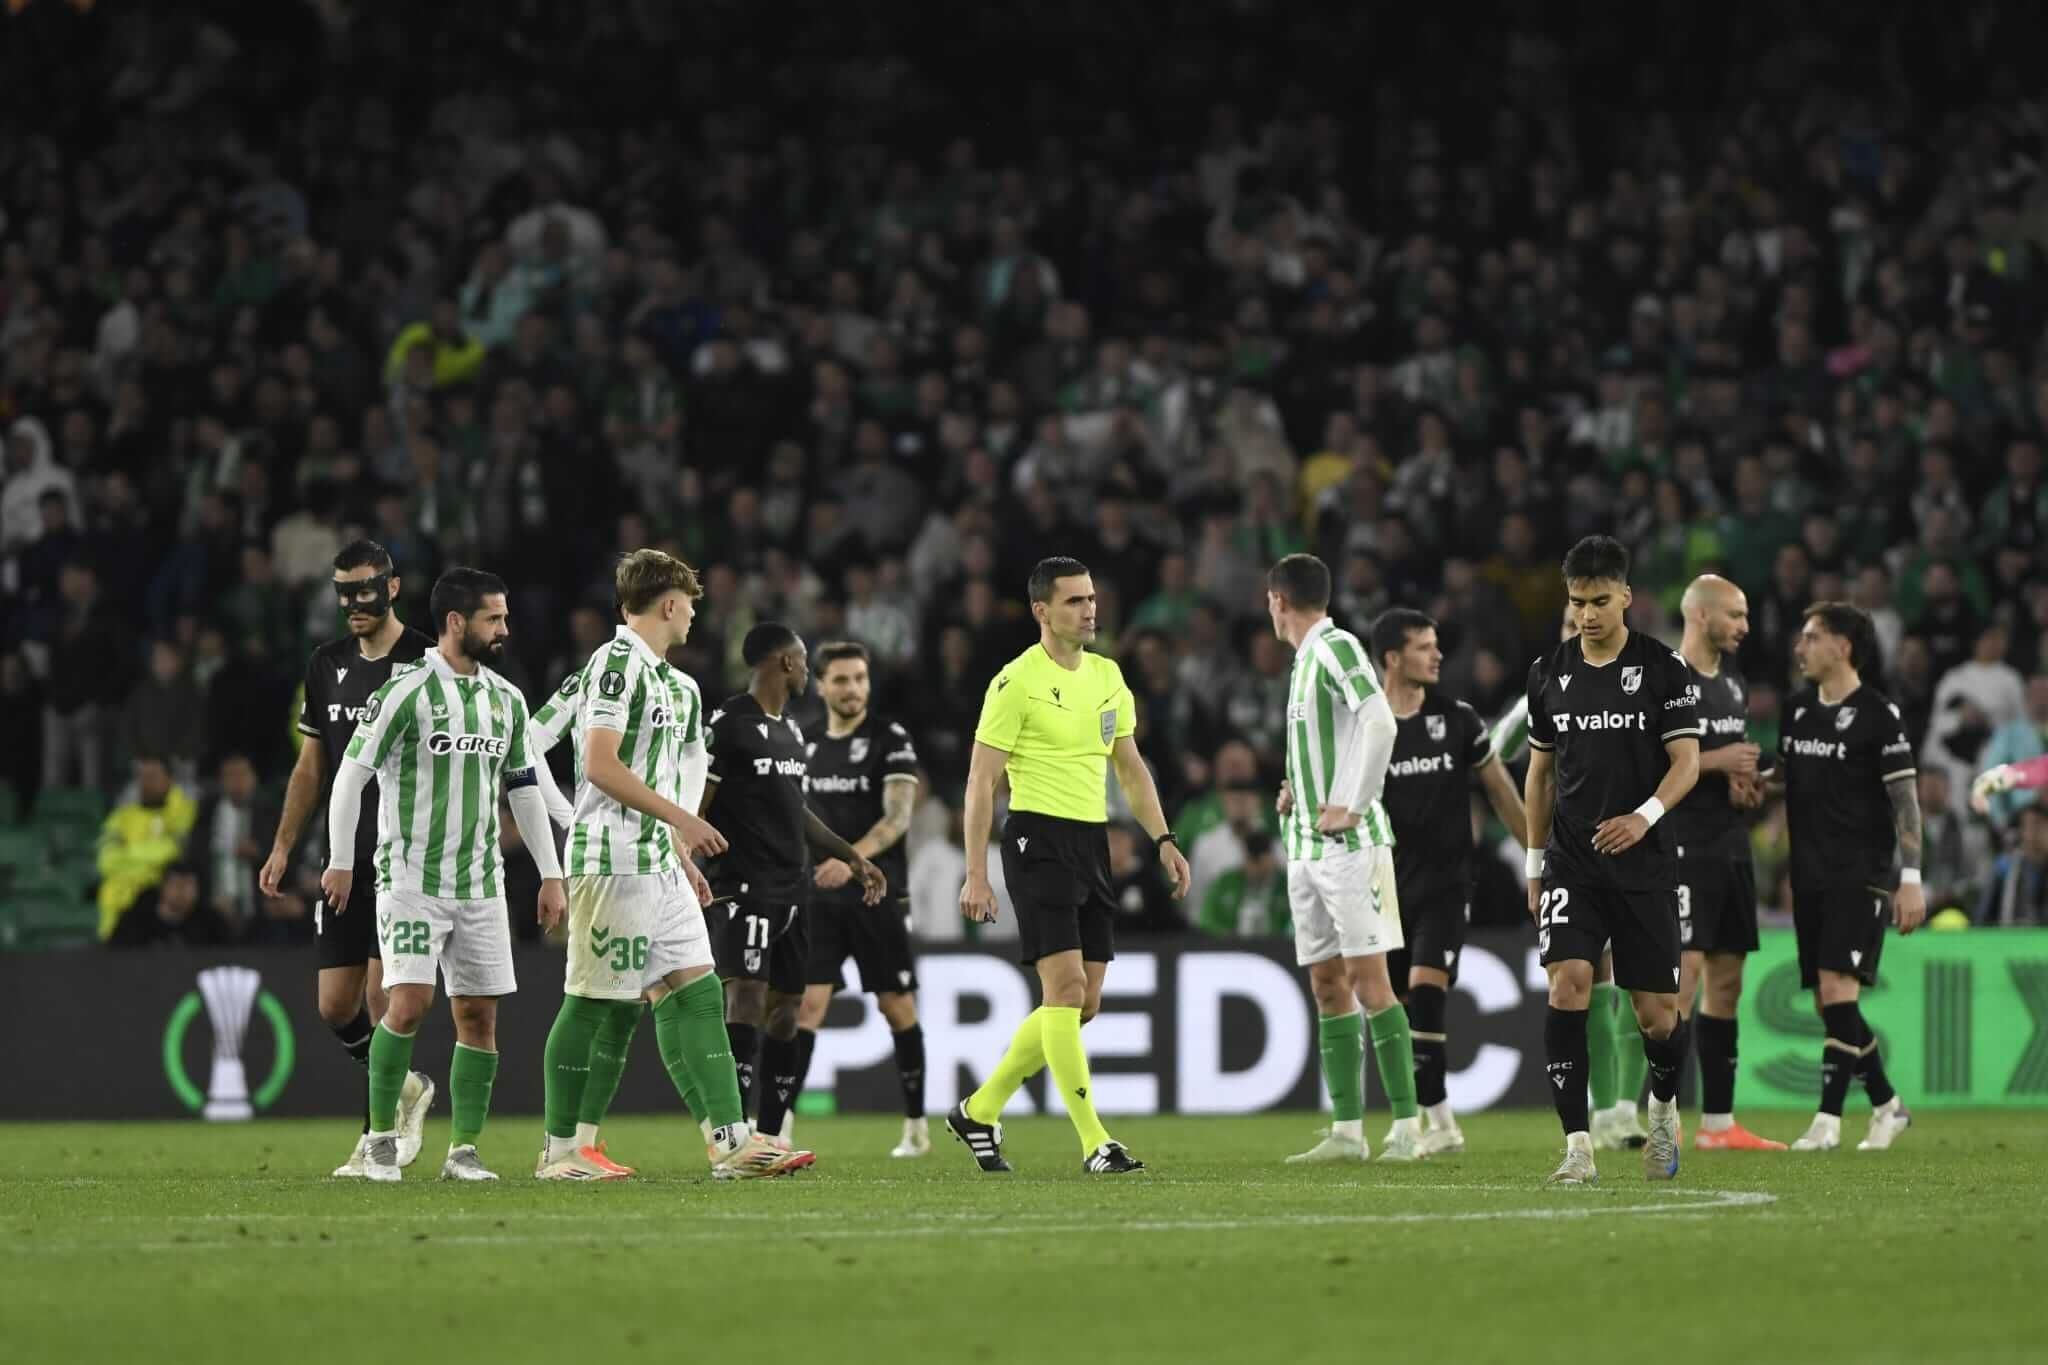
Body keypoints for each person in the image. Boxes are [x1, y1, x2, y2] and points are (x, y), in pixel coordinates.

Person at [526, 549, 802, 1182]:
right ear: (671, 604)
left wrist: (678, 850)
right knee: (595, 1005)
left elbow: (653, 780)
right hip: (613, 862)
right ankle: (560, 1150)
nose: (696, 614)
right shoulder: (614, 664)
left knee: (701, 989)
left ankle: (730, 1143)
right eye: (692, 603)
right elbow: (592, 762)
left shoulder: (677, 684)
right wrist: (585, 820)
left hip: (656, 861)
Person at [320, 567, 567, 1183]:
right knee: (406, 1005)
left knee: (479, 1018)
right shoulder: (405, 691)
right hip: (409, 879)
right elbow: (351, 774)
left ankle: (463, 1152)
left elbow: (525, 790)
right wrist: (342, 859)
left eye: (505, 617)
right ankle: (379, 1142)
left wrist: (550, 873)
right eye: (494, 618)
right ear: (457, 622)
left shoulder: (506, 699)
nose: (504, 629)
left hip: (481, 883)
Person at [948, 556, 1192, 1175]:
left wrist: (1163, 838)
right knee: (1065, 991)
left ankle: (979, 1109)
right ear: (1042, 611)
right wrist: (975, 872)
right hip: (1037, 840)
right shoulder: (1014, 683)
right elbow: (981, 782)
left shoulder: (1109, 676)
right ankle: (1094, 1142)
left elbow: (1130, 767)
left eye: (1091, 599)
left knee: (1083, 1007)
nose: (1090, 610)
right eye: (1075, 601)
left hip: (1093, 843)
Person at [1524, 535, 1700, 1186]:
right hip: (1573, 859)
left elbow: (1685, 762)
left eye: (1601, 600)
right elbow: (1539, 776)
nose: (1589, 613)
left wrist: (1643, 816)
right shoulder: (1549, 671)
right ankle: (1577, 1146)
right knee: (1568, 981)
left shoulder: (1662, 669)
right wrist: (1533, 864)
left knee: (1656, 1013)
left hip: (1645, 860)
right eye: (1578, 601)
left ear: (1626, 595)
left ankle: (1661, 1106)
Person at [260, 540, 436, 1178]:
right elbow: (312, 764)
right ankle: (407, 1089)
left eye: (366, 588)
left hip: (404, 858)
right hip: (341, 858)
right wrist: (284, 844)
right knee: (335, 1006)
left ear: (392, 587)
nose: (355, 603)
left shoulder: (425, 657)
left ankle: (377, 1135)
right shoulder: (325, 663)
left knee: (386, 996)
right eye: (344, 591)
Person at [701, 622, 887, 1152]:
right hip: (744, 886)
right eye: (804, 661)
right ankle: (732, 1135)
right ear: (785, 663)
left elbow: (797, 812)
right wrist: (691, 867)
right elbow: (698, 806)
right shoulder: (727, 724)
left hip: (794, 889)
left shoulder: (792, 733)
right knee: (746, 996)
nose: (807, 671)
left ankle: (771, 1131)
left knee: (786, 1010)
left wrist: (853, 857)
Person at [1263, 556, 1422, 1164]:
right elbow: (1333, 742)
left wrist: (1355, 804)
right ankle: (1347, 1131)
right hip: (1305, 847)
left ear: (1278, 600)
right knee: (1329, 987)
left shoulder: (1334, 647)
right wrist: (1296, 790)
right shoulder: (1305, 661)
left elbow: (1380, 722)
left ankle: (1407, 1126)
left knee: (1370, 982)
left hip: (1352, 849)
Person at [1370, 606, 1529, 1155]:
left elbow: (1500, 792)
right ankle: (1437, 1120)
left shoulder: (1457, 719)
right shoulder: (1367, 725)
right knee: (1396, 1004)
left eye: (1437, 645)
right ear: (1393, 658)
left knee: (1427, 990)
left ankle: (1422, 1123)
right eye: (1423, 646)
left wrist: (1537, 855)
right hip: (1384, 884)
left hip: (1447, 881)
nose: (1437, 655)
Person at [1775, 602, 1923, 1152]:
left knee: (1838, 992)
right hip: (1808, 875)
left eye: (1811, 637)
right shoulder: (1795, 712)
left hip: (1859, 874)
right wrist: (1745, 778)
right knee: (1827, 1003)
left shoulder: (1880, 715)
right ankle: (1887, 1105)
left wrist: (1911, 878)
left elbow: (1905, 802)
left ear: (1843, 646)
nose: (1800, 647)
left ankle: (1827, 1121)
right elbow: (1784, 777)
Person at [792, 641, 929, 1158]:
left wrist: (851, 861)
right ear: (821, 685)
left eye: (860, 679)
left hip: (877, 895)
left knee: (897, 1008)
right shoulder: (802, 743)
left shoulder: (889, 739)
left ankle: (916, 1126)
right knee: (805, 1006)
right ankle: (778, 1127)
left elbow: (897, 819)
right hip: (818, 896)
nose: (853, 690)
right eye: (842, 680)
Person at [1667, 575, 1784, 1151]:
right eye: (1735, 615)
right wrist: (1718, 761)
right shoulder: (1667, 679)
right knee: (1680, 982)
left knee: (1728, 982)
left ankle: (1718, 1124)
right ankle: (1663, 1116)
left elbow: (1727, 770)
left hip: (1729, 845)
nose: (1744, 626)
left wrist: (1745, 784)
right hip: (1681, 847)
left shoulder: (1733, 685)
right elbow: (1645, 764)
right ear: (1702, 614)